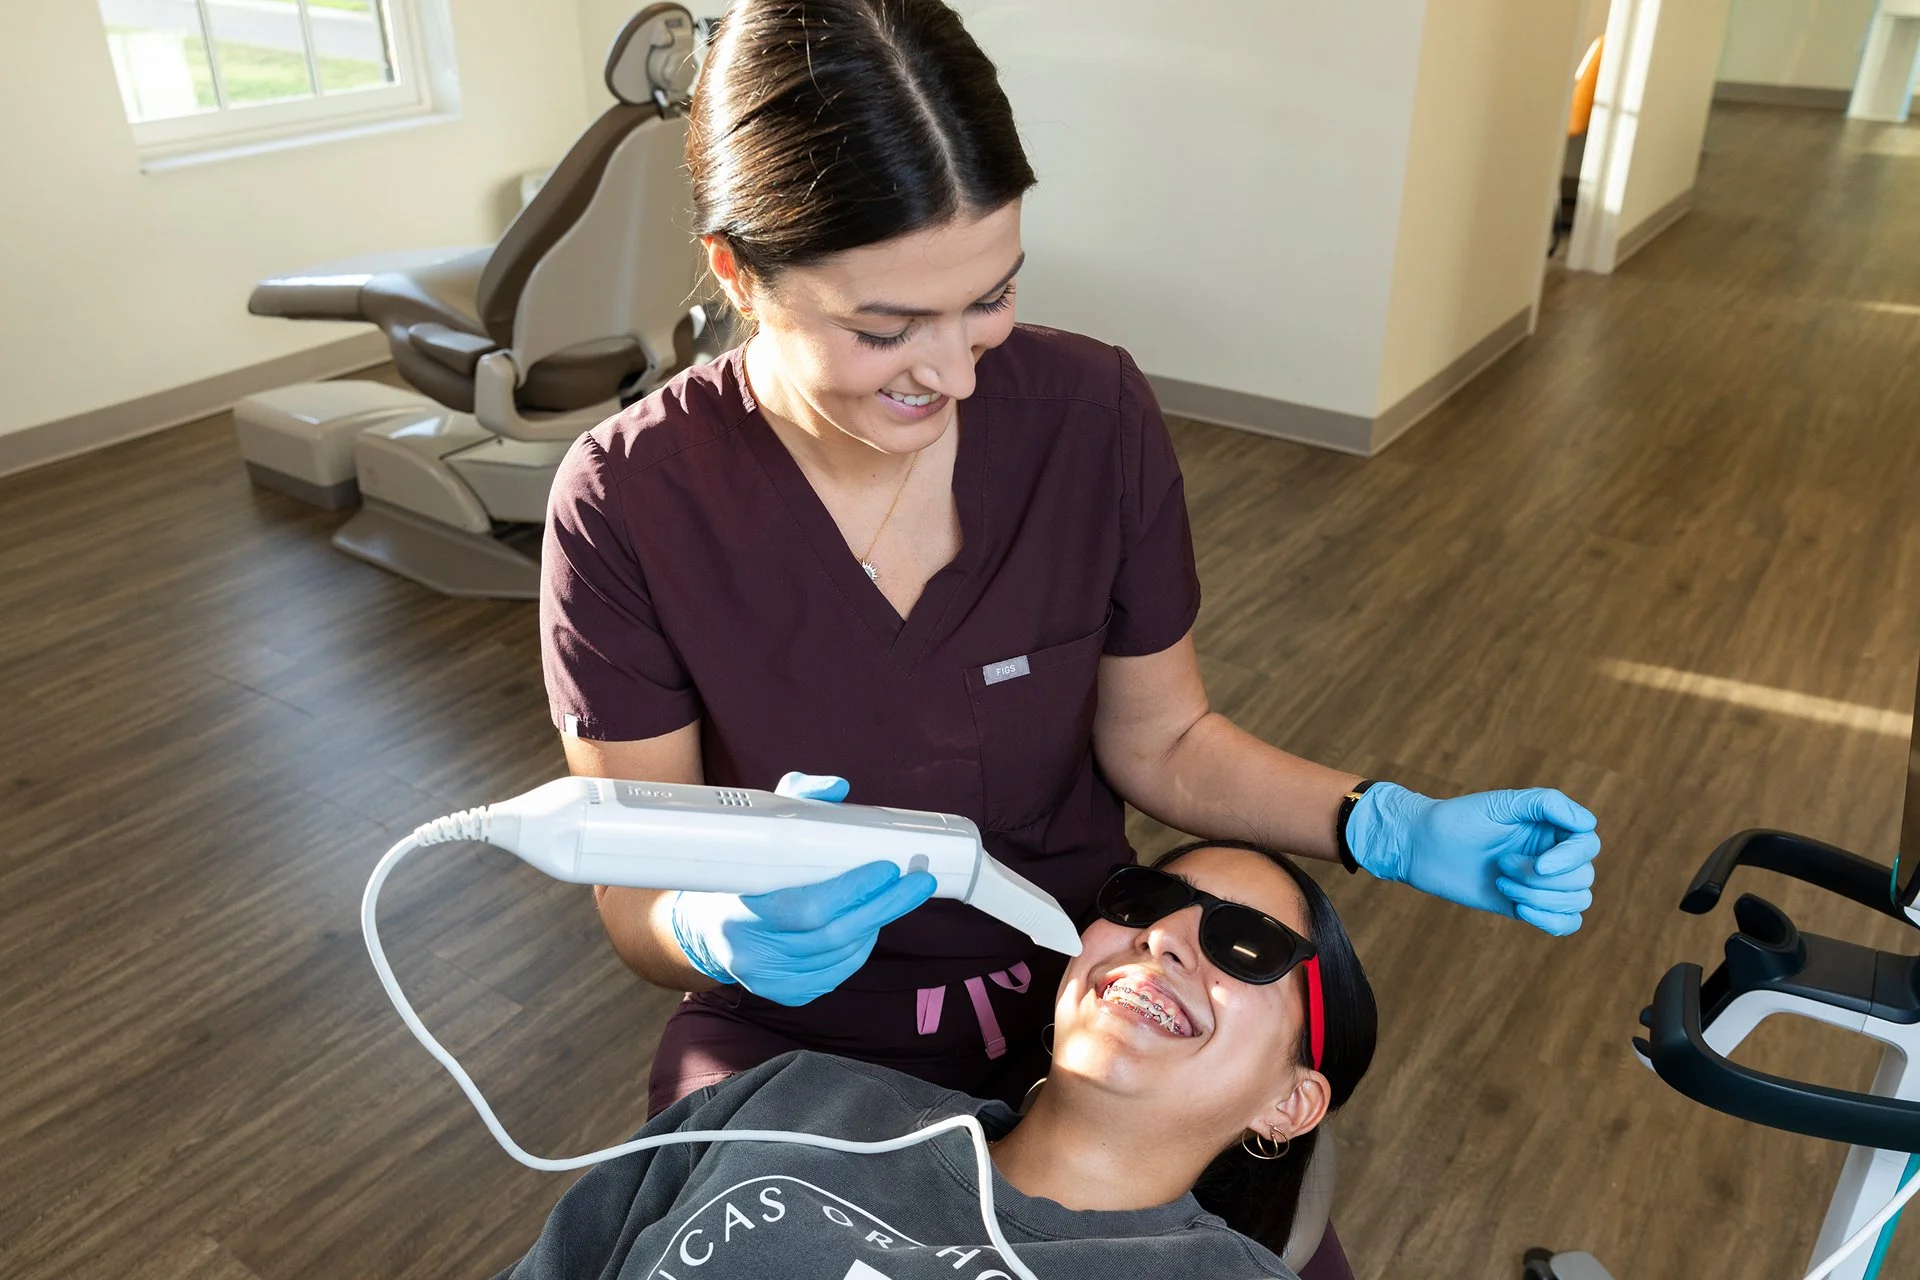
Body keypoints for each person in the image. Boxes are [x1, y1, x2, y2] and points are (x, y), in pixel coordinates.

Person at [538, 2, 1600, 1275]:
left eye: (990, 300)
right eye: (886, 331)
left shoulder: (1089, 414)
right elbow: (634, 879)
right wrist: (712, 926)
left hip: (1081, 990)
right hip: (801, 1044)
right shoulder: (632, 502)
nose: (956, 374)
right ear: (737, 272)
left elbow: (1165, 738)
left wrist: (1382, 820)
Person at [499, 841, 1378, 1280]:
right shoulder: (795, 1098)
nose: (1165, 937)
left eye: (1247, 945)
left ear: (1291, 1105)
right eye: (1148, 899)